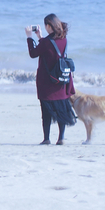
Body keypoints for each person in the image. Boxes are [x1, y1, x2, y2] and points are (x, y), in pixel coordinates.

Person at [26, 13, 76, 145]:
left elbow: (33, 53)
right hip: (61, 80)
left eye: (46, 26)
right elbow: (50, 50)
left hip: (47, 82)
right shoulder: (64, 39)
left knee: (46, 111)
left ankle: (46, 138)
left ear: (49, 26)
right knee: (61, 110)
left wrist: (29, 37)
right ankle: (61, 138)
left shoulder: (47, 42)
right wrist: (40, 37)